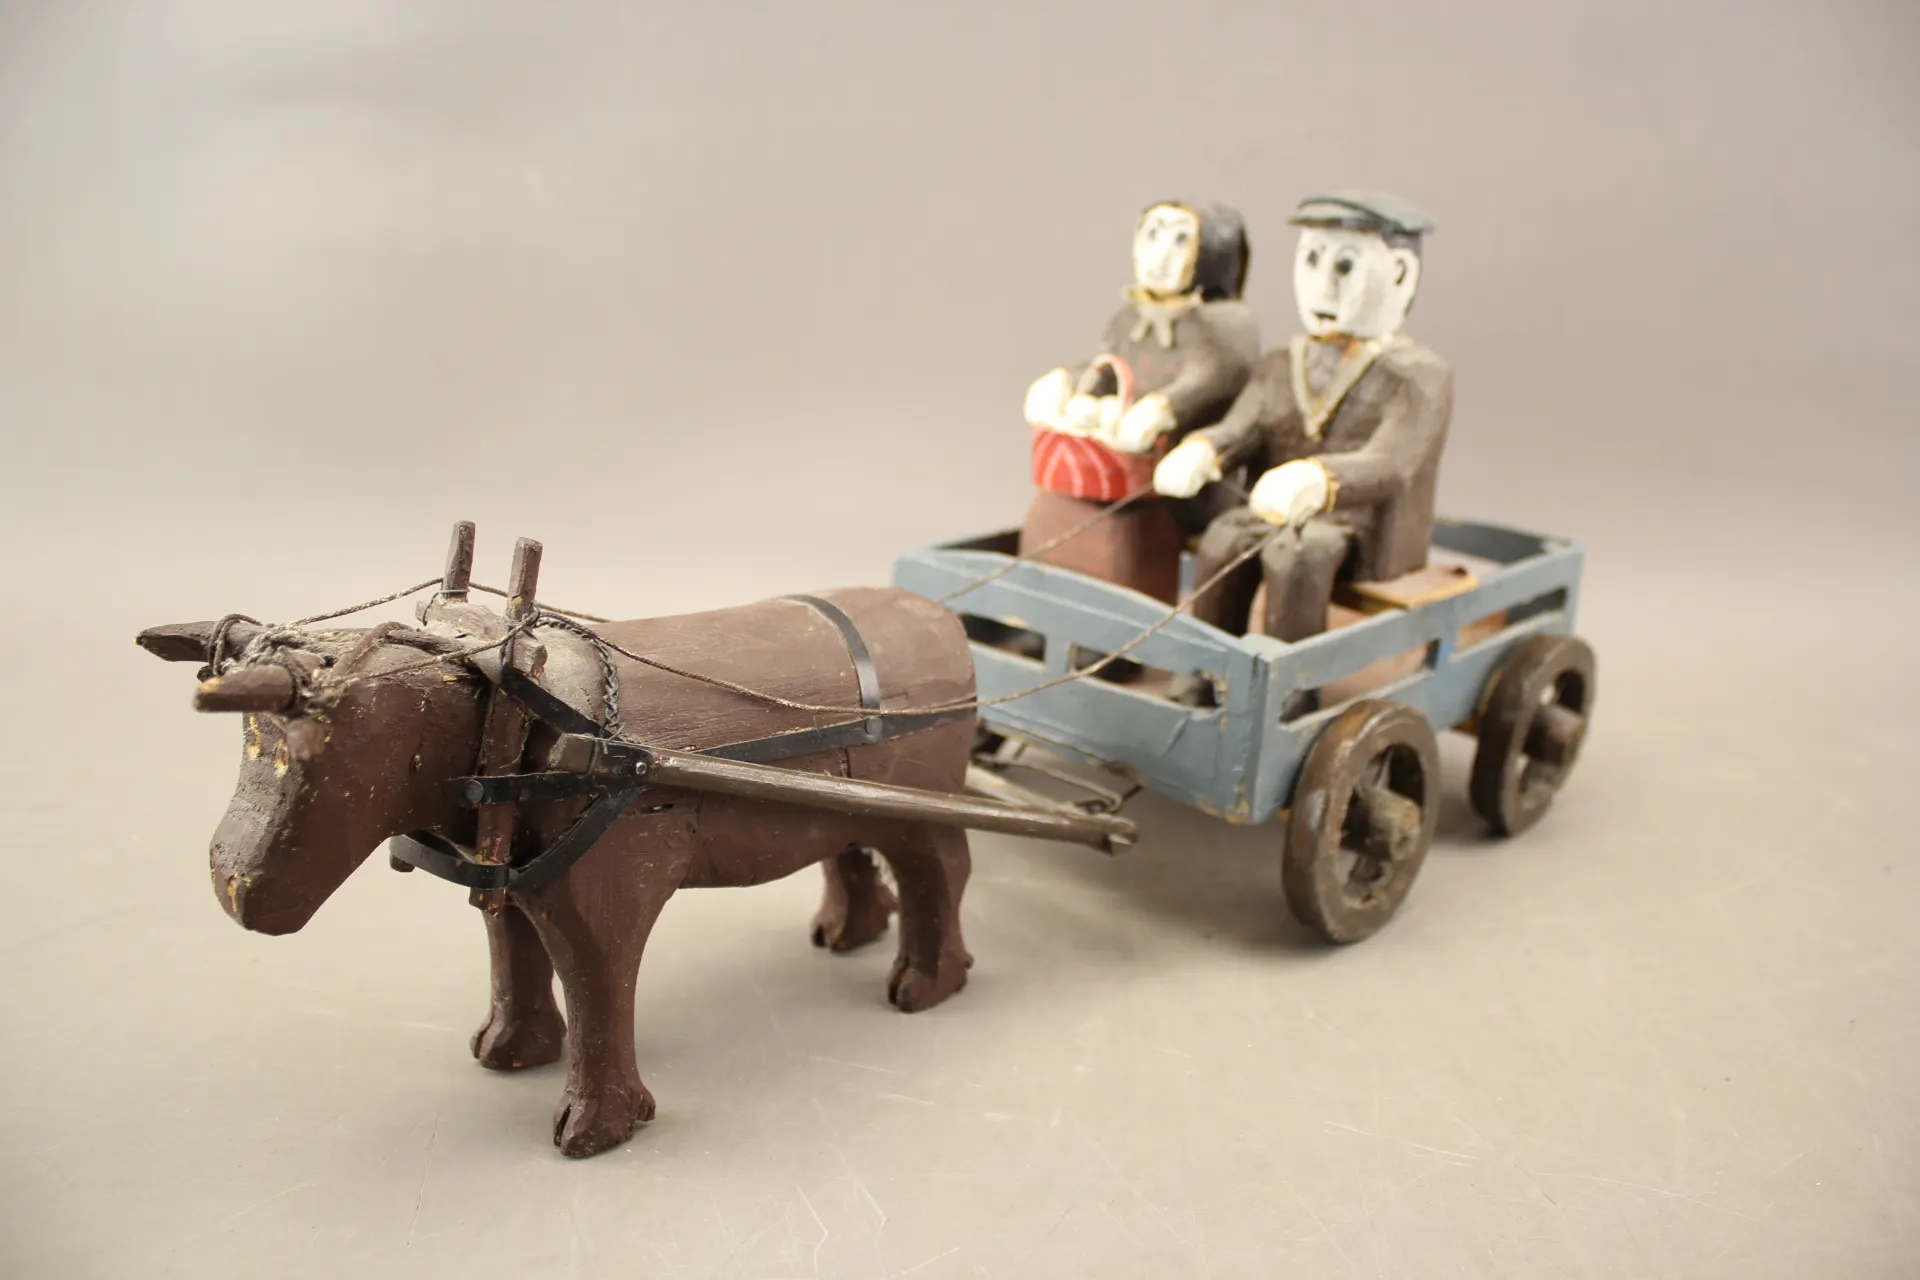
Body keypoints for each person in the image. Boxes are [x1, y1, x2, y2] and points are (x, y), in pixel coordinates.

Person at [1153, 190, 1452, 704]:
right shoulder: (1279, 363)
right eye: (1312, 261)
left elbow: (1393, 463)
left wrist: (1318, 479)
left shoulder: (1419, 376)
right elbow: (1243, 426)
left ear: (1400, 275)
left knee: (1296, 555)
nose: (1323, 286)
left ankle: (1288, 693)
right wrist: (1202, 449)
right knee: (1223, 538)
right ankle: (1205, 673)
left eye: (1345, 267)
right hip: (1273, 510)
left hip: (1362, 528)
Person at [1020, 201, 1260, 605]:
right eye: (1152, 235)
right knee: (1055, 506)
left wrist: (1163, 408)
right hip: (1121, 466)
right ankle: (1042, 604)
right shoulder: (1129, 317)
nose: (1159, 255)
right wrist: (1068, 382)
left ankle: (1118, 618)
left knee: (1126, 526)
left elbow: (1214, 374)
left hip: (1188, 481)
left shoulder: (1227, 322)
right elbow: (1107, 365)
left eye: (1180, 240)